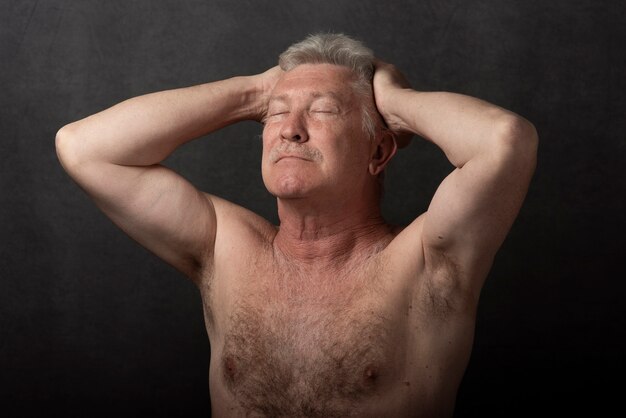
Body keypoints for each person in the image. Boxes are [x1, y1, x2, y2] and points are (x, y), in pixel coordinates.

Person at [55, 33, 537, 417]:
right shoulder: (225, 246)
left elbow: (503, 140)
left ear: (378, 151)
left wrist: (391, 98)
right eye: (277, 114)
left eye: (324, 110)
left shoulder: (428, 264)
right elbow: (84, 147)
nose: (290, 129)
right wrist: (256, 91)